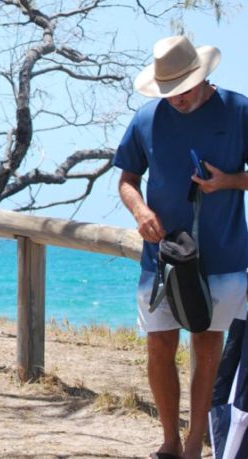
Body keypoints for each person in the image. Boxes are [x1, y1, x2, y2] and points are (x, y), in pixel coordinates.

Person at [113, 35, 248, 459]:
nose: (176, 100)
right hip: (162, 258)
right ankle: (169, 441)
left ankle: (194, 443)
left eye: (183, 90)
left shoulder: (240, 110)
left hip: (223, 256)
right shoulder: (146, 117)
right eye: (167, 92)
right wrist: (139, 212)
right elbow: (126, 180)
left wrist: (227, 181)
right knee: (158, 346)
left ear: (203, 77)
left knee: (208, 348)